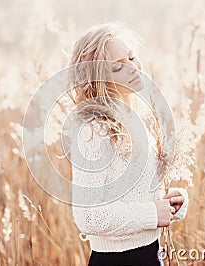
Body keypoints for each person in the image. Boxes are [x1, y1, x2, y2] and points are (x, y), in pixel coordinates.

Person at [68, 23, 189, 266]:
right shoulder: (93, 131)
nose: (133, 67)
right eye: (119, 66)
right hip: (117, 260)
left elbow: (138, 195)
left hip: (150, 254)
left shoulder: (135, 119)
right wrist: (152, 213)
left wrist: (172, 203)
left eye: (132, 57)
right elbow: (89, 217)